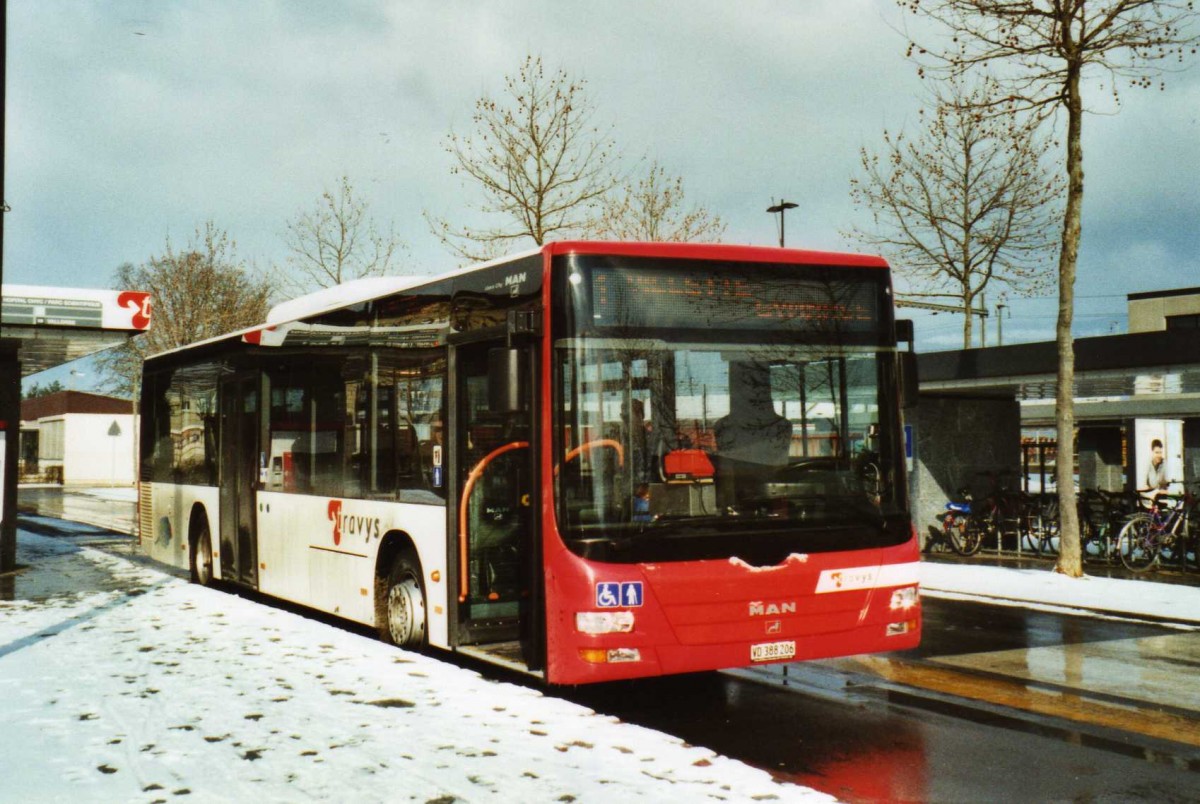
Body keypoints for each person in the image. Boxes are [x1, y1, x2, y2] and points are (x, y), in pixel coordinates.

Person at [713, 361, 791, 507]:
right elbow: (726, 478)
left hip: (775, 500)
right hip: (740, 503)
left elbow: (780, 472)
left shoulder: (782, 426)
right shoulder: (724, 427)